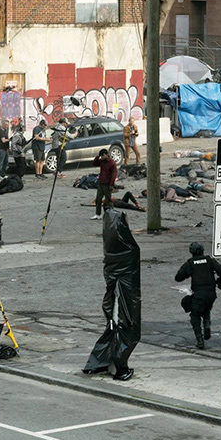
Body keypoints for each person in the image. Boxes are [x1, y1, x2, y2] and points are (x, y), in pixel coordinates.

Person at [82, 199, 141, 382]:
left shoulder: (110, 250)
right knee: (128, 329)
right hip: (125, 297)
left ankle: (102, 362)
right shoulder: (129, 250)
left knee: (113, 327)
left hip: (113, 296)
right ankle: (120, 367)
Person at [175, 242, 221, 348]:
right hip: (211, 294)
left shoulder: (190, 263)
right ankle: (207, 324)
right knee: (205, 309)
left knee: (194, 315)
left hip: (199, 294)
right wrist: (219, 284)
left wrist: (189, 272)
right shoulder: (210, 260)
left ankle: (199, 339)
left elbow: (178, 277)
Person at [92, 148, 117, 219]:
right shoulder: (102, 161)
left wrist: (111, 184)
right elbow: (94, 163)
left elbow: (113, 175)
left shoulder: (112, 163)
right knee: (98, 199)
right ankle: (98, 214)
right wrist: (97, 157)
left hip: (107, 184)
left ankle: (112, 215)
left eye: (102, 156)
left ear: (106, 155)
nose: (101, 157)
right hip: (101, 183)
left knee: (108, 200)